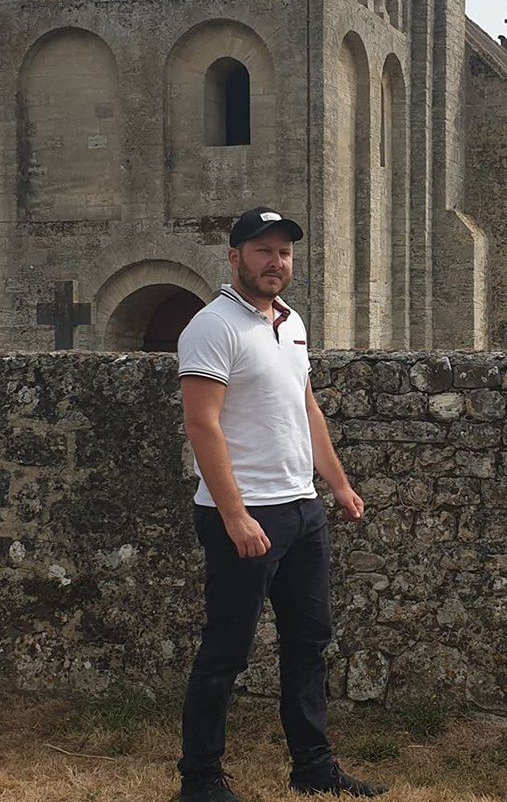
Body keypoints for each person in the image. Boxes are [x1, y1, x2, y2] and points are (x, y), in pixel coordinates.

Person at [175, 209, 384, 802]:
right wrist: (235, 513)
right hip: (242, 514)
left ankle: (314, 768)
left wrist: (337, 485)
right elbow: (202, 425)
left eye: (285, 252)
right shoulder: (211, 327)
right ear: (235, 257)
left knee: (308, 643)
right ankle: (200, 781)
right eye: (263, 251)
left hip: (301, 509)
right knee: (227, 650)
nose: (276, 262)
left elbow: (306, 407)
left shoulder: (292, 323)